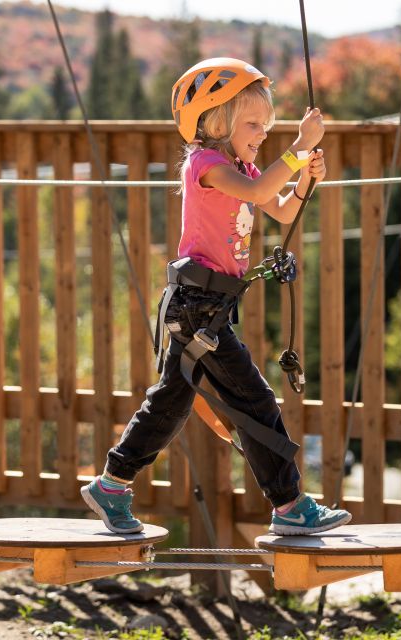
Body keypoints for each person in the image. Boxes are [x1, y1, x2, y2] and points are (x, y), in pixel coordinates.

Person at [81, 57, 352, 536]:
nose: (262, 133)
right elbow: (256, 188)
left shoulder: (244, 165)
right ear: (214, 121)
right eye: (253, 123)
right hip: (195, 307)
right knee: (254, 402)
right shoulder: (205, 166)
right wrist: (297, 149)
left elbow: (283, 209)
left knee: (170, 405)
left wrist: (308, 177)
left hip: (209, 308)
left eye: (267, 126)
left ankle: (112, 485)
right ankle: (289, 505)